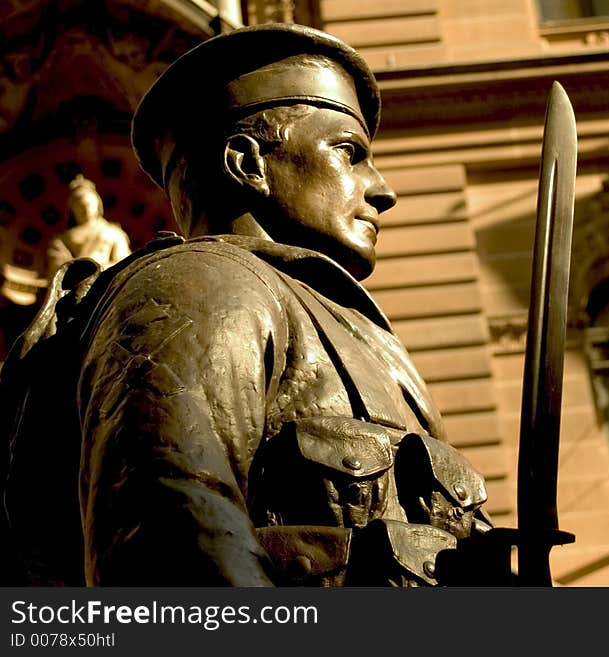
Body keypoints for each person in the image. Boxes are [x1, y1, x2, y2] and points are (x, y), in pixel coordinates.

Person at [1, 23, 500, 587]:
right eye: (350, 154)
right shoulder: (203, 284)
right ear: (248, 164)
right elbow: (173, 533)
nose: (382, 188)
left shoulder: (371, 343)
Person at [45, 174, 131, 278]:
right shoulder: (62, 240)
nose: (86, 210)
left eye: (89, 204)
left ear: (97, 205)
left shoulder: (114, 233)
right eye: (80, 206)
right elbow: (58, 270)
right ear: (72, 210)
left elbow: (125, 263)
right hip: (76, 284)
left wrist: (99, 272)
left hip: (107, 282)